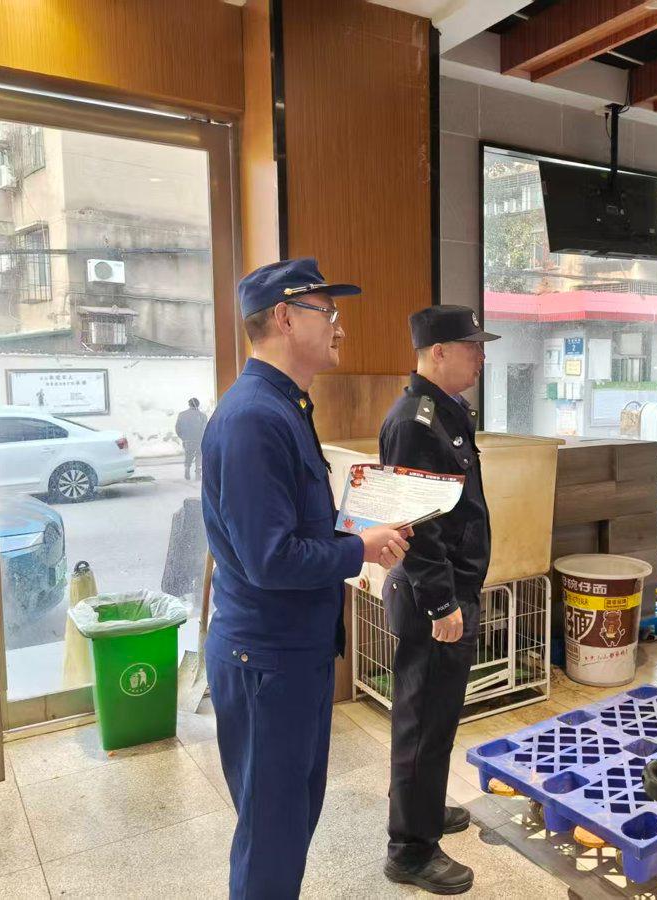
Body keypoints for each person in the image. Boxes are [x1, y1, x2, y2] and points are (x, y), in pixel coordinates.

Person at [200, 257, 412, 899]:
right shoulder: (254, 418)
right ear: (285, 318)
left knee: (288, 822)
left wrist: (356, 528)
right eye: (328, 312)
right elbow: (270, 559)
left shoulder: (285, 406)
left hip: (294, 655)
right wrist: (358, 549)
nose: (340, 326)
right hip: (267, 662)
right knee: (271, 836)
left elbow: (292, 527)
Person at [378, 305, 499, 895]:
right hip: (434, 596)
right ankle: (410, 849)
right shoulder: (415, 422)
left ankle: (422, 809)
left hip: (451, 588)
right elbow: (416, 524)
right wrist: (441, 604)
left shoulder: (447, 412)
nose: (481, 356)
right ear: (439, 352)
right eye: (472, 346)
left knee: (437, 717)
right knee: (422, 722)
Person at [176, 398, 208, 480]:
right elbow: (205, 429)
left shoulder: (181, 414)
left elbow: (177, 428)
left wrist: (183, 437)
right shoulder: (202, 415)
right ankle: (198, 472)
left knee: (188, 454)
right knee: (199, 455)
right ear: (198, 405)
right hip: (199, 440)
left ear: (189, 404)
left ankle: (187, 468)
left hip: (187, 440)